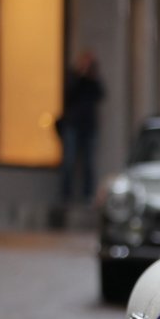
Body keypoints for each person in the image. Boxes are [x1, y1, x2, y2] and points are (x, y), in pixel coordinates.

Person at [57, 49, 104, 207]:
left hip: (88, 126)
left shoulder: (92, 79)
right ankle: (66, 195)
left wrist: (91, 76)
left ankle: (88, 195)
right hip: (73, 124)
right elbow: (68, 93)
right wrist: (80, 75)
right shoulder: (73, 77)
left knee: (89, 162)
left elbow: (100, 94)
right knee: (69, 160)